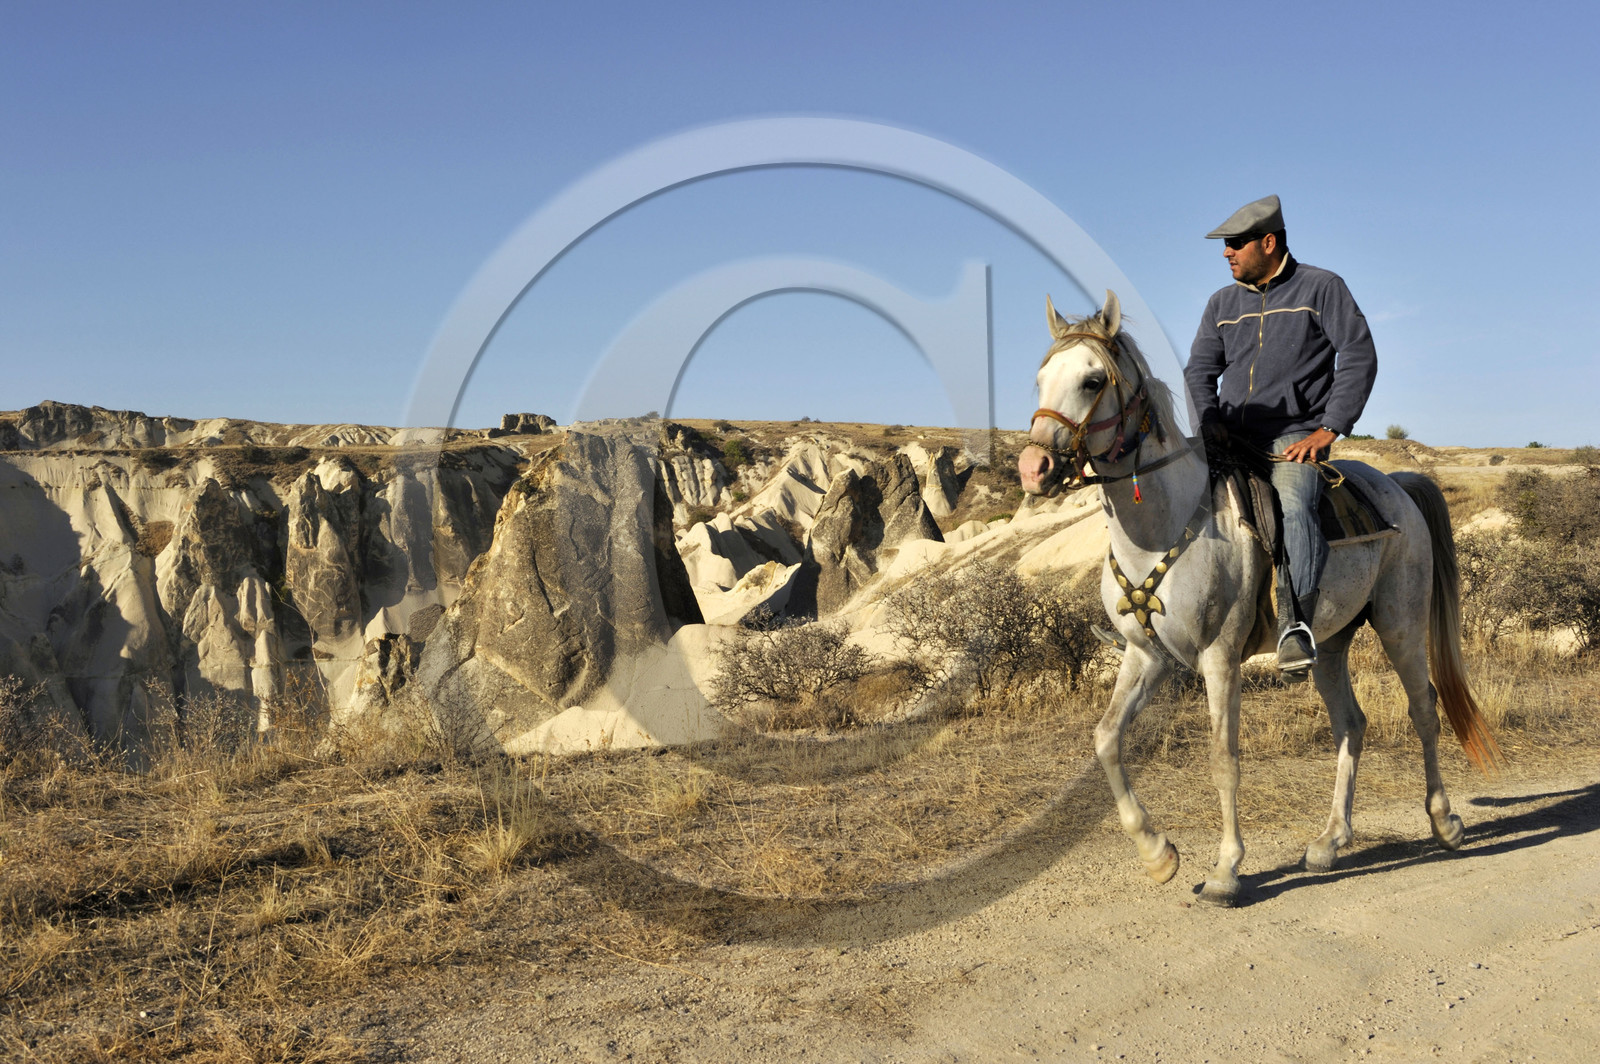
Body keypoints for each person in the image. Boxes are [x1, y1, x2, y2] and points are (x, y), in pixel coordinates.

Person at [1184, 195, 1378, 678]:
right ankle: (1148, 618)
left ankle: (1296, 625)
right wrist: (1208, 420)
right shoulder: (1221, 304)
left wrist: (1329, 428)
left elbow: (1358, 355)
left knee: (1293, 505)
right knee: (1170, 492)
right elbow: (1199, 372)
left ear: (1267, 242)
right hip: (1229, 436)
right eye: (1225, 246)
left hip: (1293, 438)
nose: (1226, 253)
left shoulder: (1322, 287)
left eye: (1234, 244)